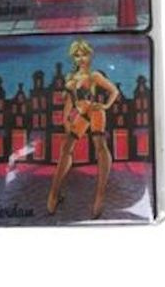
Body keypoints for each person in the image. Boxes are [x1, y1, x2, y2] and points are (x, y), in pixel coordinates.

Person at [46, 39, 119, 219]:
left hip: (94, 111)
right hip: (81, 114)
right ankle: (54, 194)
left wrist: (105, 106)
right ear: (73, 58)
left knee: (100, 147)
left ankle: (99, 196)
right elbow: (69, 102)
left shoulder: (94, 76)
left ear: (90, 56)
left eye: (84, 55)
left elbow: (114, 91)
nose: (81, 59)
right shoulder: (71, 79)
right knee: (66, 149)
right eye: (77, 56)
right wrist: (65, 119)